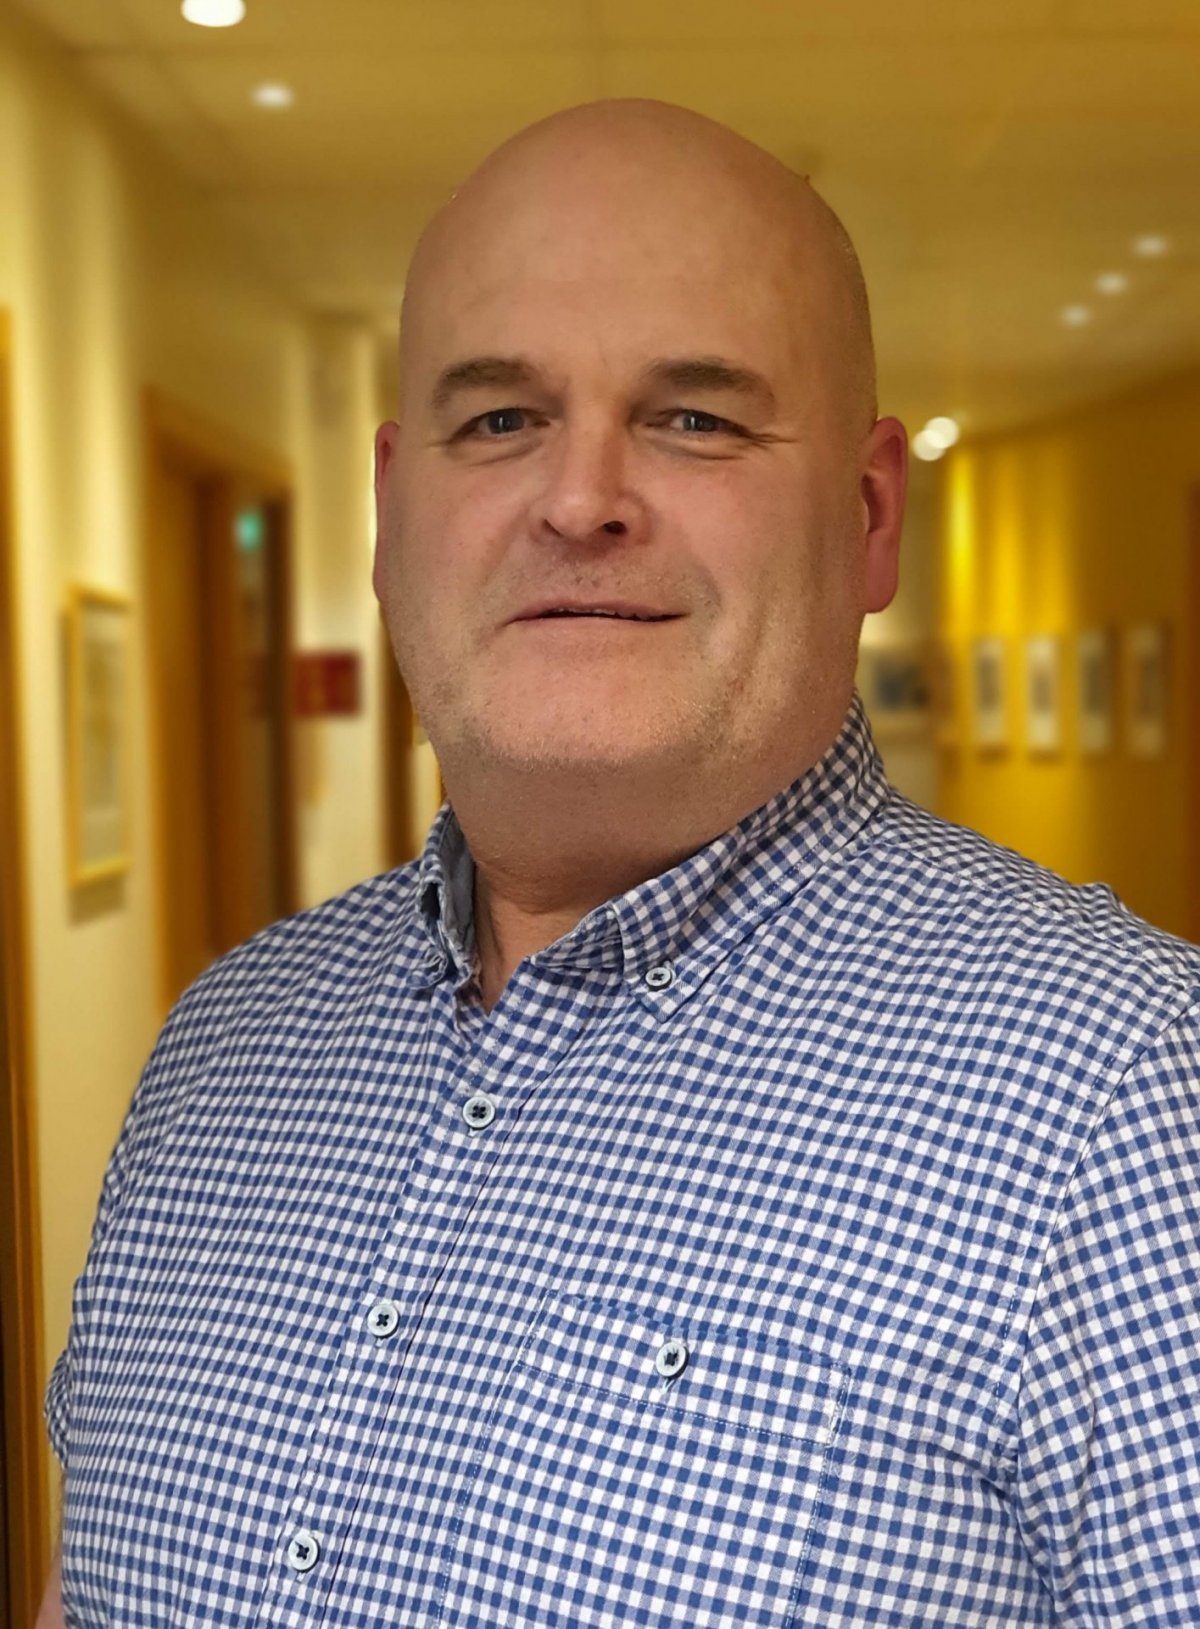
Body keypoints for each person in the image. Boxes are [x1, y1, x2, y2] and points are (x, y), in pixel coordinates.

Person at [38, 99, 1200, 1628]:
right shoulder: (221, 1049)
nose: (581, 498)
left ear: (868, 517)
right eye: (498, 420)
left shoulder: (1128, 1103)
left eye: (695, 418)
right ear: (390, 513)